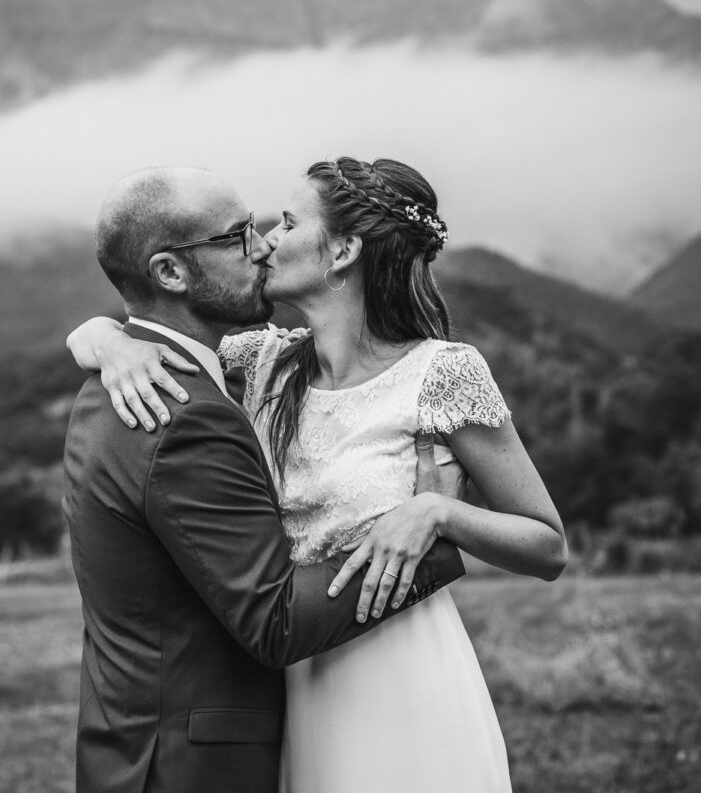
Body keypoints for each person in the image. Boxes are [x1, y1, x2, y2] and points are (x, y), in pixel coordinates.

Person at [71, 157, 568, 792]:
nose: (267, 241)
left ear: (342, 251)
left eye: (288, 223)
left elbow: (548, 544)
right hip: (295, 680)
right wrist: (105, 339)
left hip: (403, 669)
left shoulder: (443, 373)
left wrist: (438, 513)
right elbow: (158, 321)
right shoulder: (262, 362)